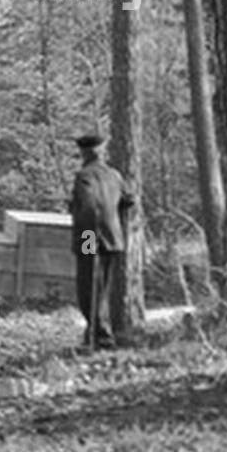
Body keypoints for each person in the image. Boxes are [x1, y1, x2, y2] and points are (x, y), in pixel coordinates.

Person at [69, 131, 135, 349]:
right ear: (101, 151)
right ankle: (95, 334)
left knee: (88, 291)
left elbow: (88, 207)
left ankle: (102, 338)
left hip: (92, 238)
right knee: (101, 288)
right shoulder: (114, 175)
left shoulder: (84, 176)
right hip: (113, 239)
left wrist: (89, 241)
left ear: (84, 153)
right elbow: (129, 199)